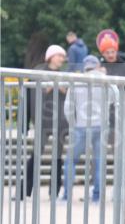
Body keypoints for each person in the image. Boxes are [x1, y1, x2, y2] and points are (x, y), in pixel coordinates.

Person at [19, 45, 69, 200]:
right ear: (51, 57)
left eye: (63, 56)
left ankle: (54, 192)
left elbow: (69, 93)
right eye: (59, 55)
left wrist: (61, 88)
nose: (62, 59)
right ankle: (24, 191)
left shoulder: (64, 76)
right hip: (43, 120)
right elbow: (31, 95)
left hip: (60, 122)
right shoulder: (38, 74)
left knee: (58, 157)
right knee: (36, 155)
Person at [62, 55, 112, 202]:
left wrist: (74, 123)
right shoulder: (105, 81)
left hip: (81, 125)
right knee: (99, 162)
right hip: (101, 125)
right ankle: (97, 196)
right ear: (97, 65)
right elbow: (114, 100)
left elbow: (68, 107)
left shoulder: (77, 82)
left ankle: (67, 195)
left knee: (70, 161)